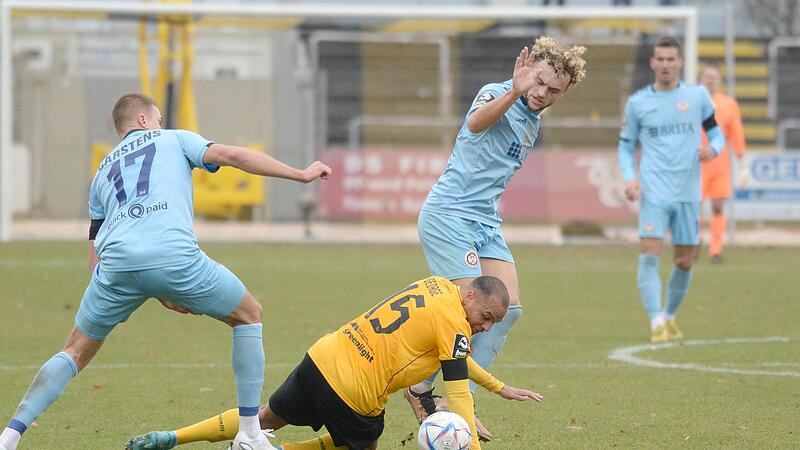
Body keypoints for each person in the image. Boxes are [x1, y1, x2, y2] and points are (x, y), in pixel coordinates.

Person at [0, 93, 332, 450]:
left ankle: (9, 437)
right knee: (249, 314)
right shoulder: (174, 138)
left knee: (75, 349)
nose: (159, 124)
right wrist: (300, 175)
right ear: (144, 120)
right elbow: (234, 156)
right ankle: (249, 434)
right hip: (174, 257)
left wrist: (142, 287)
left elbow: (95, 249)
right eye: (156, 119)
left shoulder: (102, 173)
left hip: (115, 267)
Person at [404, 36, 586, 441]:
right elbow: (474, 123)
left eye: (553, 90)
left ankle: (441, 396)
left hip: (485, 222)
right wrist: (515, 92)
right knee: (469, 312)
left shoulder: (534, 122)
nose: (541, 93)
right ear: (529, 68)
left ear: (565, 91)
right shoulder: (497, 92)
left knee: (511, 309)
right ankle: (432, 394)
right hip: (449, 215)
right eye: (538, 82)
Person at [126, 276, 543, 450]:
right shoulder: (456, 324)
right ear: (471, 296)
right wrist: (465, 439)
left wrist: (497, 386)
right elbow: (456, 392)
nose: (485, 328)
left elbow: (455, 355)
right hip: (354, 392)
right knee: (362, 441)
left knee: (265, 417)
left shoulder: (436, 287)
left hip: (324, 355)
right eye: (485, 317)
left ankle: (169, 437)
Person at [617, 37, 725, 343]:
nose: (665, 65)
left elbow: (717, 135)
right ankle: (655, 322)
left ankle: (670, 316)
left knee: (685, 261)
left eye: (670, 59)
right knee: (649, 255)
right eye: (660, 59)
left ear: (679, 62)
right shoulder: (638, 103)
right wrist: (629, 178)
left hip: (689, 192)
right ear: (652, 63)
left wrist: (713, 149)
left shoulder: (697, 97)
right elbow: (626, 147)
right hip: (654, 191)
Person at [699, 65, 746, 264]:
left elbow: (736, 131)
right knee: (693, 207)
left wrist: (741, 158)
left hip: (720, 164)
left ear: (720, 81)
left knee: (718, 206)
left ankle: (715, 250)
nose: (711, 81)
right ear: (701, 79)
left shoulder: (728, 104)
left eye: (714, 77)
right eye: (707, 77)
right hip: (697, 162)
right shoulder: (692, 101)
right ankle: (691, 244)